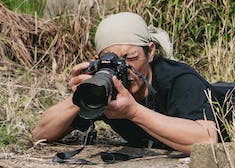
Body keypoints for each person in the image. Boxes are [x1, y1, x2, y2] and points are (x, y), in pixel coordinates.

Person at [32, 12, 219, 156]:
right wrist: (80, 96)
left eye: (131, 58)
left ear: (150, 52)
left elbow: (206, 140)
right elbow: (41, 134)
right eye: (113, 61)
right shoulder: (107, 86)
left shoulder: (179, 79)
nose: (124, 68)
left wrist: (133, 112)